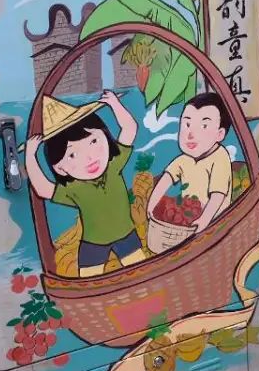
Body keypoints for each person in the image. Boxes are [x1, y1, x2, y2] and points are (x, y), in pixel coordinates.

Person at [25, 91, 142, 277]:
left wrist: (115, 104)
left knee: (141, 274)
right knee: (89, 284)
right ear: (60, 168)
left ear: (106, 136)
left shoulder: (113, 165)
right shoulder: (74, 188)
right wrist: (30, 156)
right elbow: (43, 189)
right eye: (72, 154)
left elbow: (129, 129)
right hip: (93, 244)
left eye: (93, 141)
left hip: (127, 235)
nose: (89, 158)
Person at [148, 93, 233, 232]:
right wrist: (151, 206)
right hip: (188, 219)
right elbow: (166, 180)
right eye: (187, 124)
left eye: (204, 126)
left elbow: (218, 195)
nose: (191, 134)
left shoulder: (220, 157)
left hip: (215, 222)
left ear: (220, 134)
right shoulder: (184, 160)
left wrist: (204, 220)